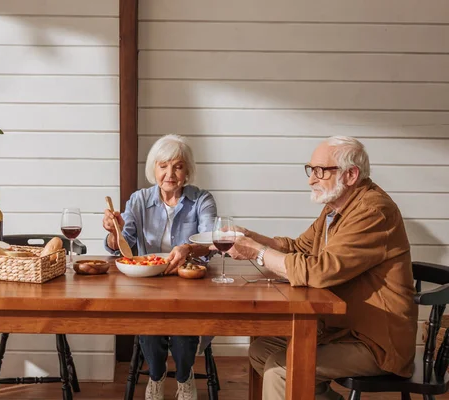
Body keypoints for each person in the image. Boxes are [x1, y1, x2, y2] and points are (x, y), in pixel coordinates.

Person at [227, 136, 417, 400]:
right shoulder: (335, 208)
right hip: (341, 330)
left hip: (375, 342)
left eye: (320, 171)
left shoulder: (373, 211)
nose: (311, 179)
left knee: (281, 369)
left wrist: (256, 252)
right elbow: (299, 248)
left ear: (351, 174)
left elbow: (319, 271)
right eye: (311, 170)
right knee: (262, 350)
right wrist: (252, 237)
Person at [103, 134, 216, 400]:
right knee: (150, 328)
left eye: (177, 166)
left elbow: (211, 241)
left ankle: (184, 377)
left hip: (189, 283)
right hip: (148, 283)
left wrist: (188, 248)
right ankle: (156, 376)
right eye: (163, 166)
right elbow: (123, 245)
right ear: (154, 168)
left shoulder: (202, 200)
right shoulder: (139, 200)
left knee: (183, 330)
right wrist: (113, 231)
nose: (170, 173)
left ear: (187, 170)